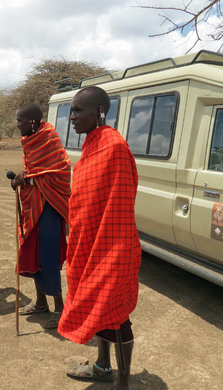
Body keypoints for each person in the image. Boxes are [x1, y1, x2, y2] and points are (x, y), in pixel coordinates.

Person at [57, 86, 141, 390]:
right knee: (99, 310)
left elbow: (118, 205)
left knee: (116, 315)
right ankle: (103, 366)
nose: (73, 117)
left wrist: (110, 250)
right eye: (71, 110)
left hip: (111, 247)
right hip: (87, 244)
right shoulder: (93, 144)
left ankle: (123, 382)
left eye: (79, 110)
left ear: (100, 112)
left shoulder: (114, 147)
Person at [11, 103, 71, 329]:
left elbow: (61, 171)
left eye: (20, 121)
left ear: (33, 121)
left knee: (48, 255)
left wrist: (30, 179)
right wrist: (22, 179)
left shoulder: (49, 138)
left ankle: (59, 308)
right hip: (32, 206)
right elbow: (33, 170)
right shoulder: (30, 140)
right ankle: (40, 303)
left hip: (49, 208)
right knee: (32, 252)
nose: (18, 126)